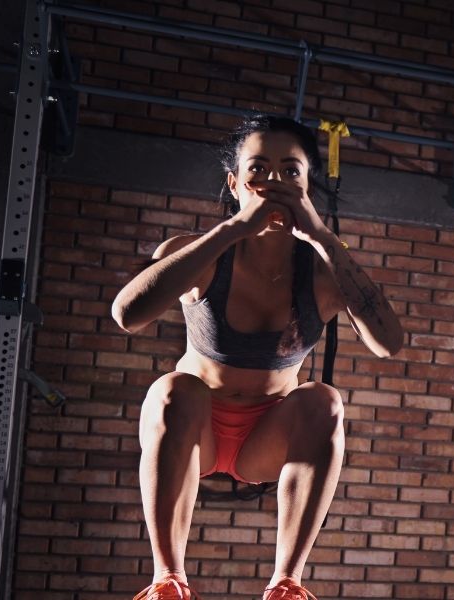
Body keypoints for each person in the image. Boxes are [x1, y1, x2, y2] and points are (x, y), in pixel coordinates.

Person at [111, 115, 403, 600]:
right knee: (173, 388)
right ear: (235, 182)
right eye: (258, 170)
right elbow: (127, 313)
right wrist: (232, 229)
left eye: (291, 171)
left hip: (265, 438)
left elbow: (388, 343)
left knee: (324, 400)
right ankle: (168, 580)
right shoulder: (199, 254)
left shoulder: (325, 273)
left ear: (309, 185)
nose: (275, 183)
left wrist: (319, 236)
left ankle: (286, 583)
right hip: (193, 427)